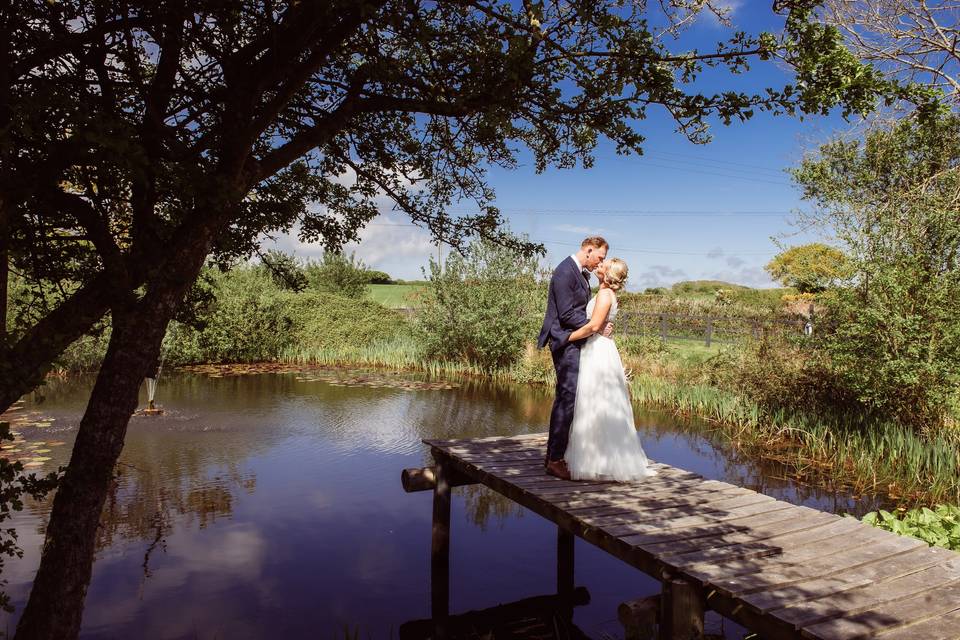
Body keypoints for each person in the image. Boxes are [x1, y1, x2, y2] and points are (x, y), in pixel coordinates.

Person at [563, 258, 657, 482]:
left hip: (598, 350)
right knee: (595, 403)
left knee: (599, 402)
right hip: (598, 347)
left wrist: (565, 339)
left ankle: (601, 461)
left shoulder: (605, 295)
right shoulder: (604, 293)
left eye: (604, 265)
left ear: (608, 275)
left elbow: (594, 326)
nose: (599, 265)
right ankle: (596, 458)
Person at [537, 236, 610, 480]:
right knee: (567, 397)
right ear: (589, 250)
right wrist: (596, 327)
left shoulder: (580, 273)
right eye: (600, 257)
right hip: (564, 340)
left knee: (569, 397)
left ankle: (553, 455)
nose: (601, 262)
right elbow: (567, 314)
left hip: (576, 338)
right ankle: (555, 460)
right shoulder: (564, 272)